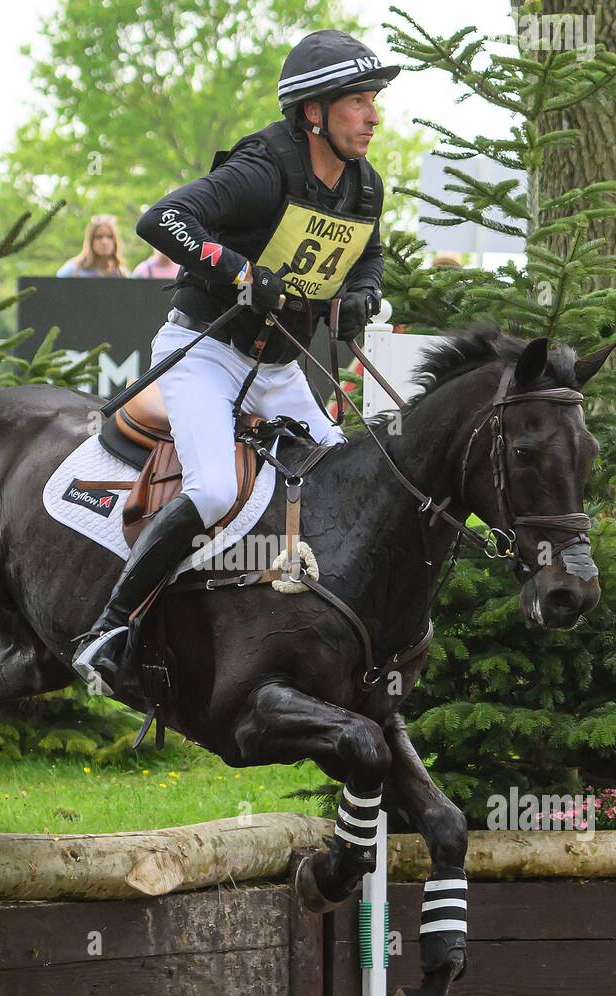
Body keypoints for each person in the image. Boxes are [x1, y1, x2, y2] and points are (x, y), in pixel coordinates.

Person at [71, 29, 397, 694]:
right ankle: (109, 627)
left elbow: (367, 255)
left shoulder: (364, 187)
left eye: (373, 100)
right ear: (313, 113)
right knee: (215, 488)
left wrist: (362, 294)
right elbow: (161, 220)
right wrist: (240, 270)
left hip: (279, 371)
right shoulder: (263, 167)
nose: (373, 115)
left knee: (351, 485)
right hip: (206, 357)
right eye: (358, 101)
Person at [57, 215, 128, 277]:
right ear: (91, 241)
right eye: (99, 237)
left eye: (109, 237)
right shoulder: (73, 270)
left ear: (115, 241)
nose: (104, 242)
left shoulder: (121, 273)